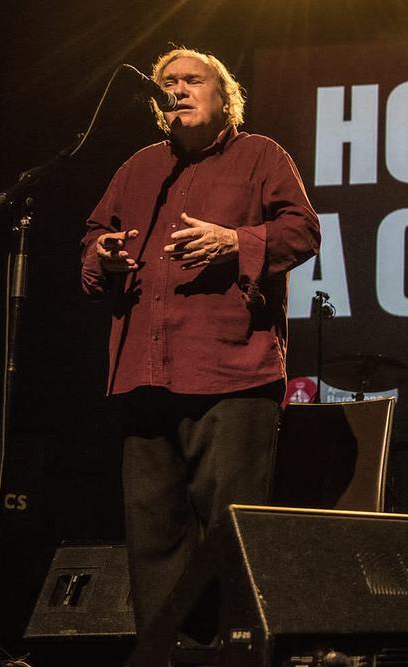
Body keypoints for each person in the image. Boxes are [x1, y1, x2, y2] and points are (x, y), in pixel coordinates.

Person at [79, 47, 320, 632]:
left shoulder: (261, 155)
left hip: (230, 375)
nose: (178, 90)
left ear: (225, 95)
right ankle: (166, 660)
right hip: (142, 375)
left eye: (193, 80)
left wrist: (237, 241)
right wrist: (102, 256)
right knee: (153, 542)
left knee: (231, 538)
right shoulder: (138, 168)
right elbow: (93, 241)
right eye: (168, 83)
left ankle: (235, 659)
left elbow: (303, 232)